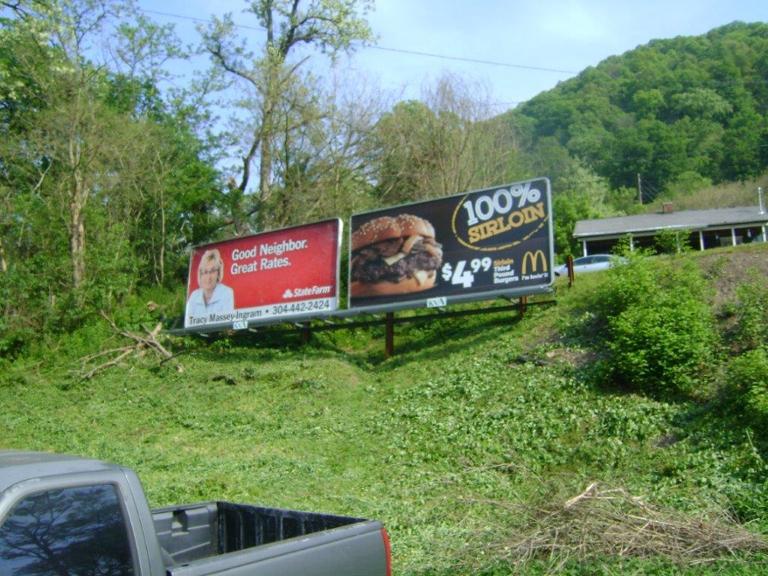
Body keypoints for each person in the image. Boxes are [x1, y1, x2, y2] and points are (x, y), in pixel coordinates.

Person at [185, 248, 235, 322]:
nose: (208, 277)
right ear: (200, 274)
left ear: (218, 273)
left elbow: (227, 322)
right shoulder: (194, 296)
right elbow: (188, 322)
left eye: (212, 271)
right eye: (205, 272)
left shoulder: (226, 293)